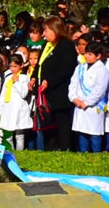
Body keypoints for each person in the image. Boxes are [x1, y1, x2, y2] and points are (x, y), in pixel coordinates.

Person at [33, 16, 77, 151]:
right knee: (47, 122)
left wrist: (50, 81)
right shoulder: (46, 45)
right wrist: (34, 77)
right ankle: (49, 148)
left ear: (54, 29)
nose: (44, 34)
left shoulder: (66, 45)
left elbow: (66, 69)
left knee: (61, 122)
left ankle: (64, 148)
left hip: (59, 92)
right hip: (44, 92)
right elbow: (39, 65)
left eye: (46, 30)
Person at [68, 42, 109, 153]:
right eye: (86, 53)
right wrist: (74, 98)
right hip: (79, 105)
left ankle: (97, 156)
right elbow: (73, 84)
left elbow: (100, 90)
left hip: (94, 107)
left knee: (94, 133)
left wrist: (86, 102)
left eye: (90, 54)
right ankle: (83, 155)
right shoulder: (80, 68)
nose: (87, 56)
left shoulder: (102, 70)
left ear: (98, 56)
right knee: (82, 132)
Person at [0, 53, 31, 150]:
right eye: (11, 66)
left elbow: (24, 93)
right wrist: (0, 109)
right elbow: (3, 94)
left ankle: (20, 152)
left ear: (21, 65)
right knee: (8, 133)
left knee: (19, 134)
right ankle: (12, 151)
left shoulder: (24, 78)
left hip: (18, 109)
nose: (13, 69)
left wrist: (16, 82)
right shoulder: (8, 78)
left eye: (15, 66)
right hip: (8, 108)